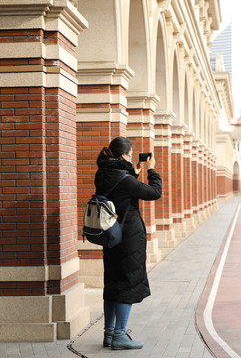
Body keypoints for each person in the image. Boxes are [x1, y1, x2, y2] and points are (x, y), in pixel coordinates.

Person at [94, 136, 162, 350]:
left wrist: (134, 173)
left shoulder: (102, 174)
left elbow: (120, 190)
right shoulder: (125, 180)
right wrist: (151, 171)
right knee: (127, 283)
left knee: (112, 283)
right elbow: (154, 192)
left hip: (110, 236)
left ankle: (109, 334)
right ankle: (120, 335)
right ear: (123, 155)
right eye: (130, 155)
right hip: (128, 238)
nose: (132, 158)